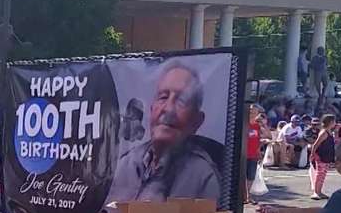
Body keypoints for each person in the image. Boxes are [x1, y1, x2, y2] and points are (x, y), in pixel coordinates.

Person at [107, 58, 221, 204]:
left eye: (182, 101)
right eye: (163, 97)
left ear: (196, 121)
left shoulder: (203, 177)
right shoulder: (126, 164)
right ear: (152, 109)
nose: (168, 109)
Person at [309, 114, 336, 199]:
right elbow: (316, 144)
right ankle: (316, 192)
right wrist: (312, 154)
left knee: (323, 174)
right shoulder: (324, 133)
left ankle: (319, 191)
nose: (335, 123)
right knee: (319, 173)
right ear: (330, 122)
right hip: (321, 155)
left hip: (326, 155)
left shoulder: (329, 132)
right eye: (334, 121)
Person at [244, 105, 263, 204]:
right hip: (244, 154)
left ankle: (248, 196)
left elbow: (261, 138)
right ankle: (244, 196)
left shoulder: (257, 126)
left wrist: (259, 150)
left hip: (253, 154)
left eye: (255, 112)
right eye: (251, 111)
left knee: (250, 176)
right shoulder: (244, 124)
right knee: (242, 176)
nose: (252, 114)